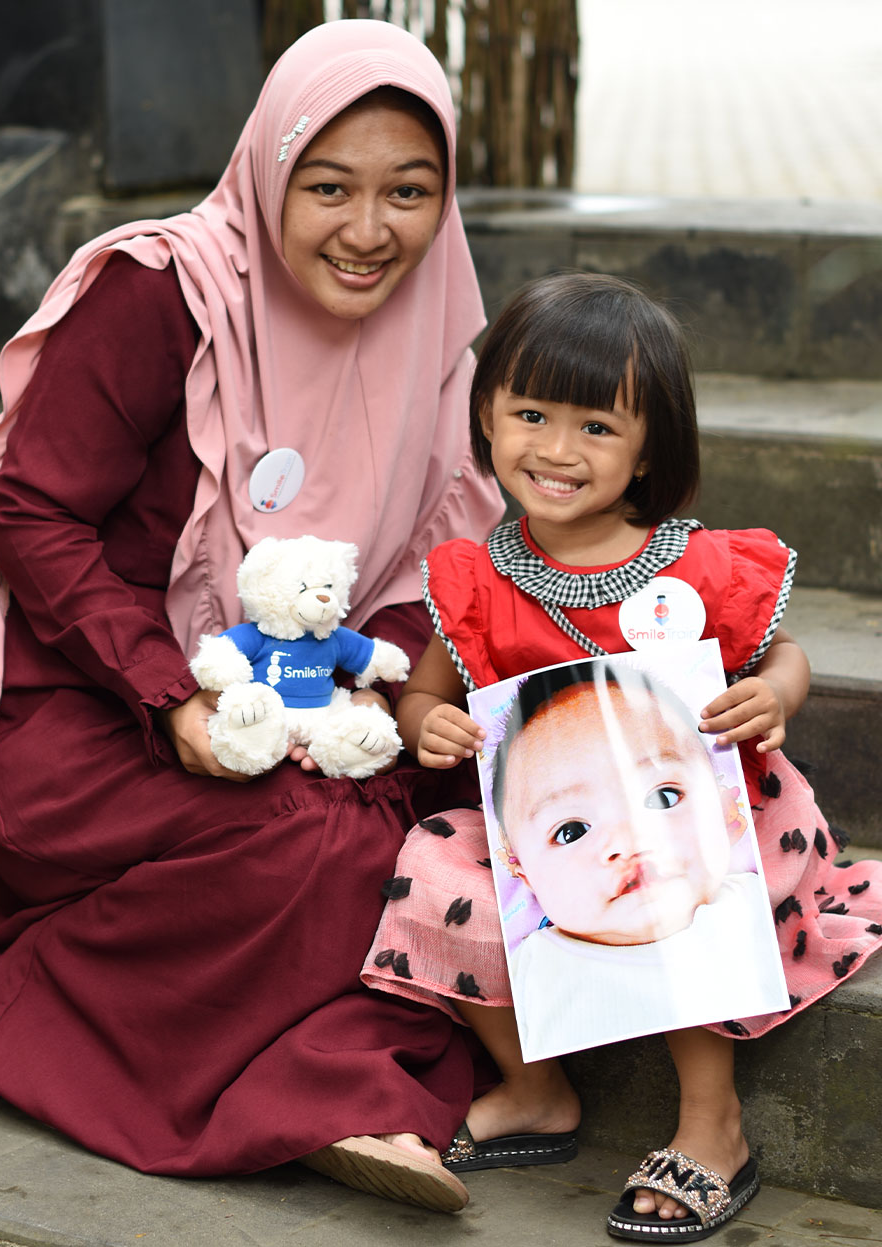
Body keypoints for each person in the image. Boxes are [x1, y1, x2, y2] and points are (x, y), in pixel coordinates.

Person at [0, 19, 506, 1215]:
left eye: (409, 192)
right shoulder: (165, 289)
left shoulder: (438, 327)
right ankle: (46, 1009)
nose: (370, 232)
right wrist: (170, 693)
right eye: (328, 187)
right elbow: (34, 512)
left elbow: (426, 563)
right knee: (328, 840)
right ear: (270, 169)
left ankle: (311, 1075)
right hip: (82, 708)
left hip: (306, 702)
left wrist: (381, 692)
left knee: (443, 806)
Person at [362, 272, 882, 1237]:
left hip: (701, 814)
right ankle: (535, 1085)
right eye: (531, 414)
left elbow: (786, 654)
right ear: (486, 415)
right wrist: (421, 720)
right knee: (435, 860)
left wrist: (772, 695)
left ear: (651, 446)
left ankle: (711, 1122)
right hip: (557, 825)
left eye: (598, 427)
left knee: (678, 888)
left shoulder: (700, 567)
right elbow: (427, 689)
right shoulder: (477, 577)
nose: (557, 450)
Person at [487, 661, 787, 1056]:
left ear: (727, 808)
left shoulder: (746, 908)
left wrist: (778, 688)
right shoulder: (530, 966)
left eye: (662, 796)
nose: (630, 840)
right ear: (521, 872)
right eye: (571, 830)